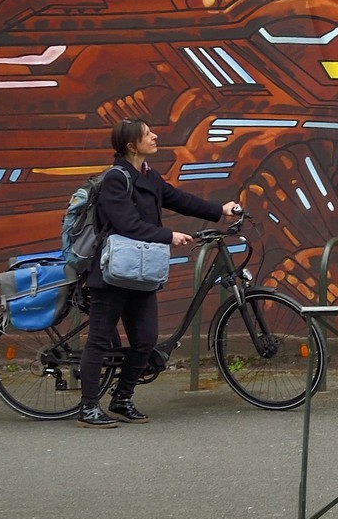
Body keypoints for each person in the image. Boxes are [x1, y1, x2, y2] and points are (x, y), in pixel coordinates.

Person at [79, 117, 243, 425]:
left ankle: (121, 399)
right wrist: (168, 236)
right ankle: (88, 407)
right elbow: (127, 224)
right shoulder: (116, 178)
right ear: (131, 145)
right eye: (147, 134)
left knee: (145, 339)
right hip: (113, 272)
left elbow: (179, 199)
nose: (155, 137)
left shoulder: (148, 175)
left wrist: (219, 210)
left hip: (140, 271)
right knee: (99, 339)